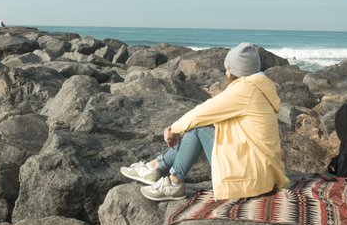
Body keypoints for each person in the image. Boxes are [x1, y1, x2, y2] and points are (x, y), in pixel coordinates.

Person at [120, 42, 289, 202]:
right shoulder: (260, 87)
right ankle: (155, 167)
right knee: (203, 127)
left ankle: (172, 181)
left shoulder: (245, 90)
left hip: (253, 176)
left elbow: (204, 111)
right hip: (264, 173)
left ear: (234, 70)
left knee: (197, 129)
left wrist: (173, 129)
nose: (225, 72)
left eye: (227, 68)